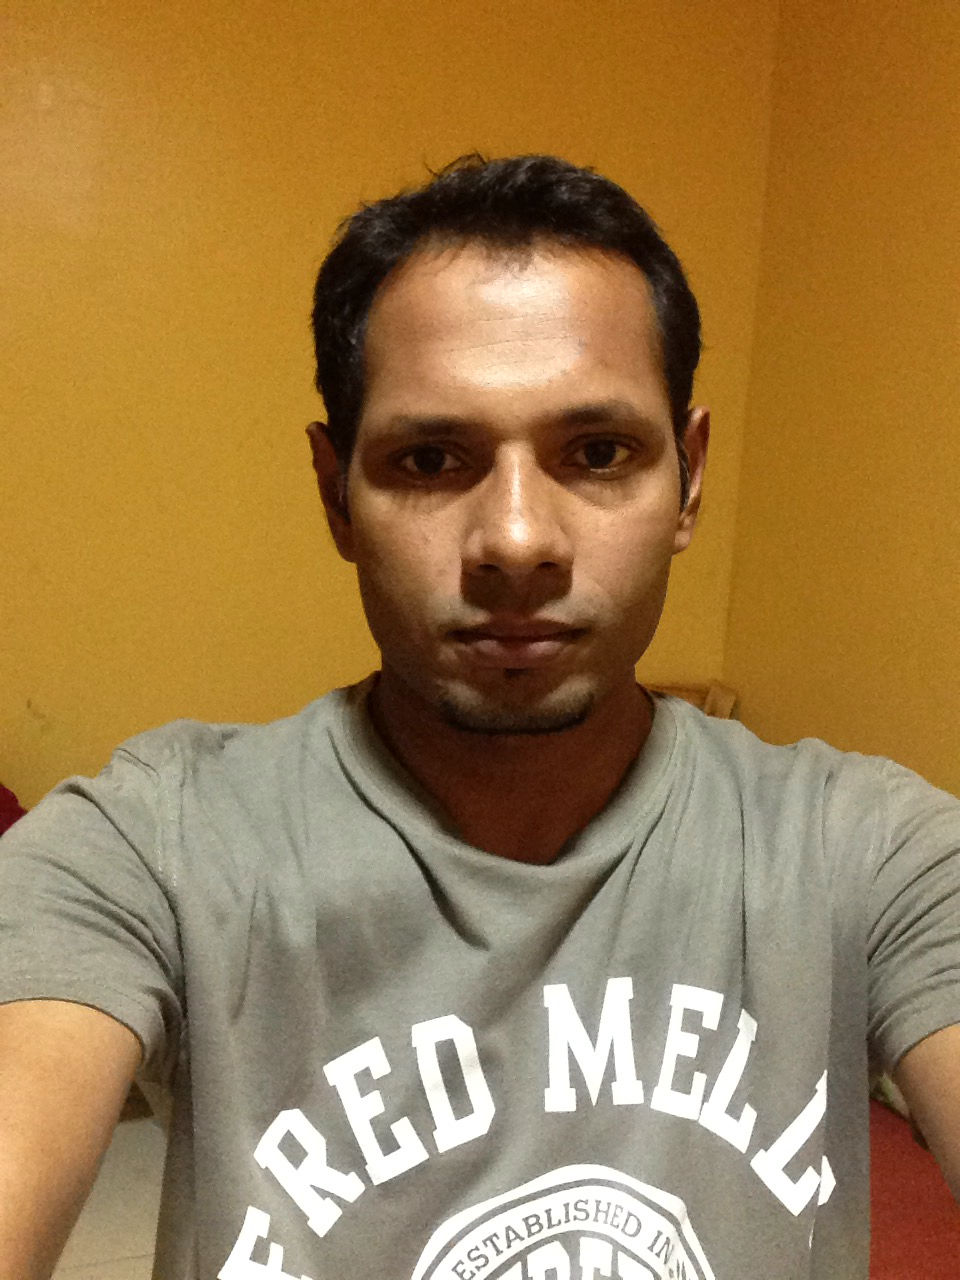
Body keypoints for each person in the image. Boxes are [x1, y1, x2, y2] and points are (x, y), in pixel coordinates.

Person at [0, 154, 958, 1280]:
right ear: (335, 492)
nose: (515, 540)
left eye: (597, 453)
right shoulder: (147, 850)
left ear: (690, 480)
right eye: (430, 459)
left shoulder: (869, 855)